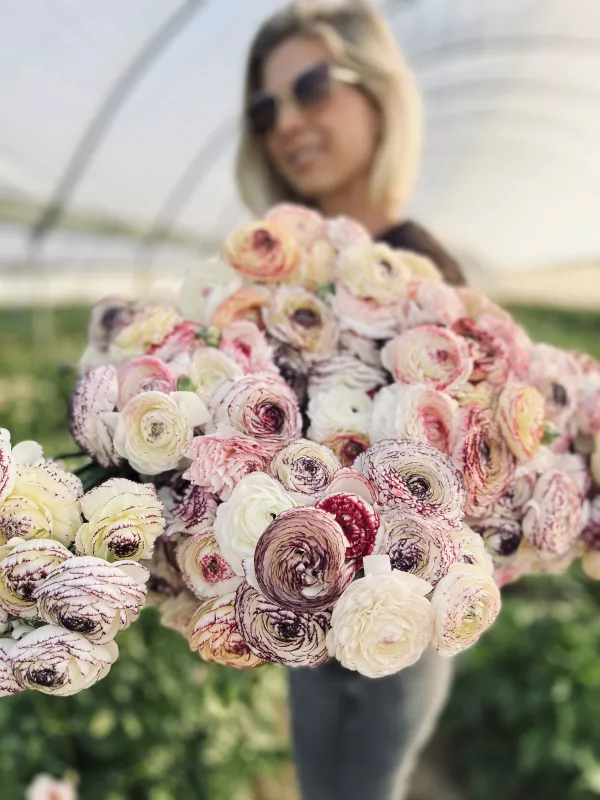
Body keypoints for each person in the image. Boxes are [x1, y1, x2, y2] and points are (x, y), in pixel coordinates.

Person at [235, 3, 464, 798]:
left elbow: (472, 471)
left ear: (377, 96)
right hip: (299, 603)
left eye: (310, 88)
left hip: (399, 622)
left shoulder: (427, 273)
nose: (287, 122)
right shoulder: (275, 282)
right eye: (266, 109)